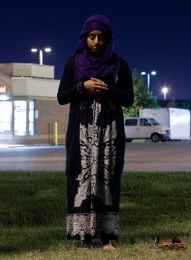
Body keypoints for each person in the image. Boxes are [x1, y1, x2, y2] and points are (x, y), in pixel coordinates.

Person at [57, 14, 134, 250]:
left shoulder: (119, 64)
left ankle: (106, 237)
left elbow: (129, 99)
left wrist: (109, 90)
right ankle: (83, 237)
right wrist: (83, 87)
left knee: (106, 177)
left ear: (108, 39)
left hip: (109, 131)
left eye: (101, 37)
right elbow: (62, 96)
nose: (96, 42)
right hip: (81, 131)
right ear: (85, 38)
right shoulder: (74, 62)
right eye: (92, 37)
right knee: (81, 177)